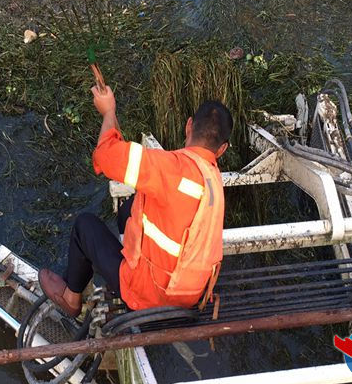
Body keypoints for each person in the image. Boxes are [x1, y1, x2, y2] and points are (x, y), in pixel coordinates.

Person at [39, 85, 232, 317]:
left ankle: (71, 299)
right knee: (131, 206)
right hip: (190, 295)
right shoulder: (213, 179)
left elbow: (104, 156)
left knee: (84, 226)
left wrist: (108, 112)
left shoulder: (171, 168)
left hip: (151, 296)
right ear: (221, 150)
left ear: (189, 125)